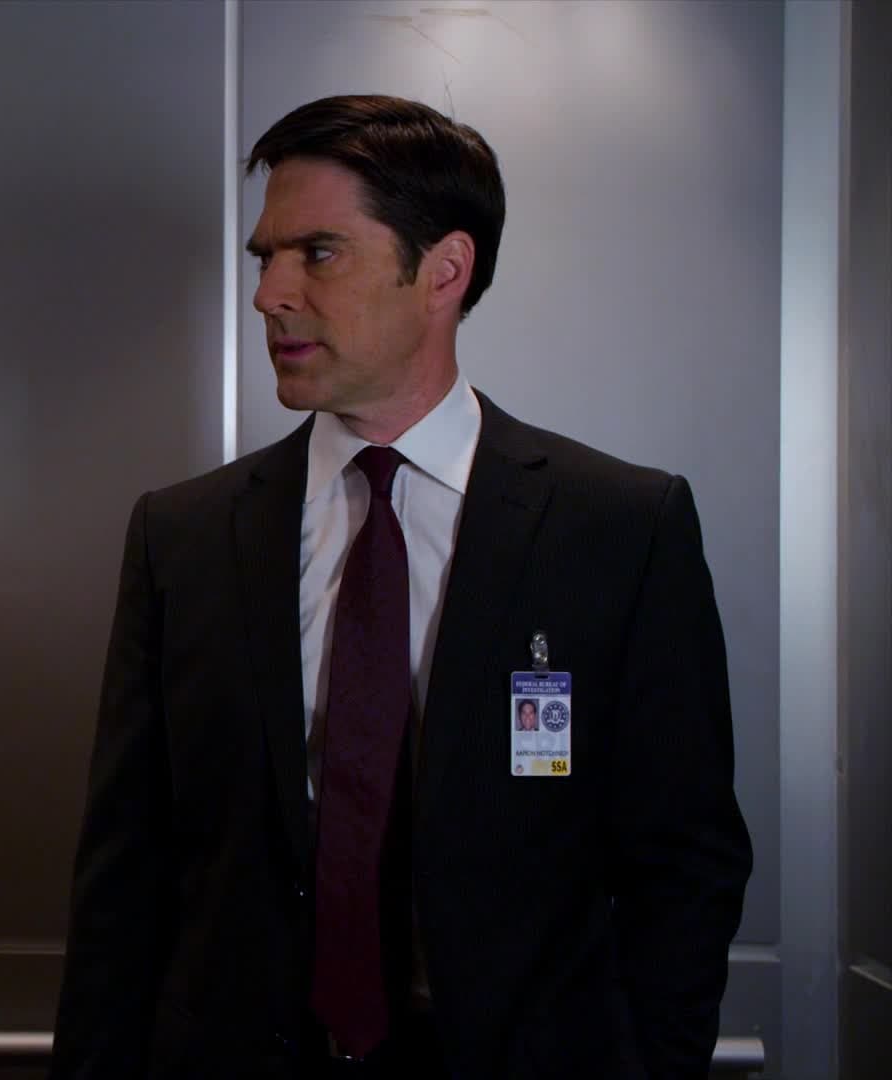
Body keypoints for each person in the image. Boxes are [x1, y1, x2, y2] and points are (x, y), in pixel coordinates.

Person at [51, 96, 750, 1078]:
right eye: (265, 258)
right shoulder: (185, 539)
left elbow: (684, 864)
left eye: (318, 253)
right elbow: (124, 875)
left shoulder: (620, 530)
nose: (270, 294)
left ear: (444, 271)